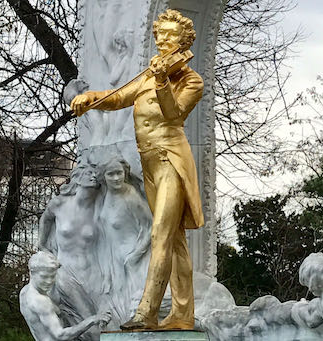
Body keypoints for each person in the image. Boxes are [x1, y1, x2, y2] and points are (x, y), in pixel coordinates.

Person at [70, 9, 204, 330]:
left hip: (171, 160)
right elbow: (117, 98)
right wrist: (90, 97)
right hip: (149, 164)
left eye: (170, 35)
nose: (162, 40)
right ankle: (183, 315)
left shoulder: (190, 80)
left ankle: (146, 313)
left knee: (160, 234)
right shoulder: (146, 76)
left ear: (184, 40)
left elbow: (173, 115)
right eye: (160, 35)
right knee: (174, 240)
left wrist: (161, 81)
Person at [38, 162, 103, 340]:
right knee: (92, 328)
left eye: (95, 174)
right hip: (66, 274)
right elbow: (45, 219)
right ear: (78, 178)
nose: (93, 176)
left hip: (93, 275)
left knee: (101, 323)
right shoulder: (59, 204)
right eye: (89, 173)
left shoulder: (98, 208)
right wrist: (42, 244)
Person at [94, 157, 153, 327]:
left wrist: (136, 254)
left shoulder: (130, 196)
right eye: (110, 174)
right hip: (114, 260)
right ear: (103, 177)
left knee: (134, 310)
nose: (116, 178)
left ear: (125, 173)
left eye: (119, 173)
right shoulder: (105, 196)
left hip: (133, 260)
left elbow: (150, 226)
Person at [20, 251, 111, 341]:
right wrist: (92, 320)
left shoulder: (24, 292)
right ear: (32, 273)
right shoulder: (40, 301)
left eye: (52, 277)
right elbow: (60, 335)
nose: (49, 281)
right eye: (44, 277)